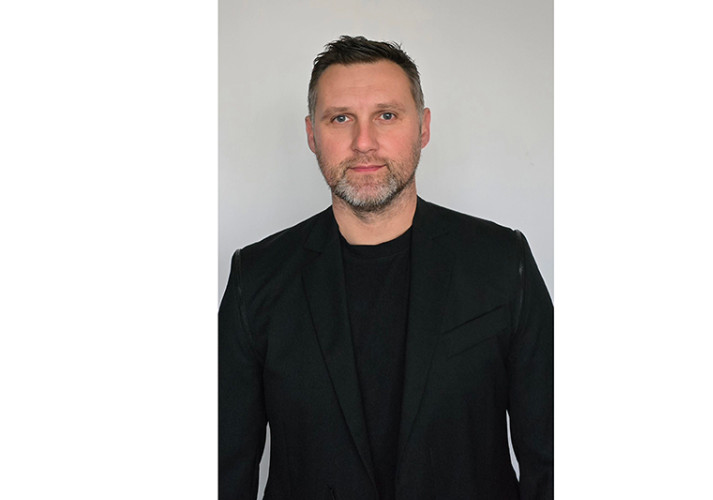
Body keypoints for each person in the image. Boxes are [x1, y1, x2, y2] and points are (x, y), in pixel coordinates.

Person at [219, 35, 553, 500]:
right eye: (341, 118)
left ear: (423, 128)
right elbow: (222, 469)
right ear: (312, 135)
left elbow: (553, 458)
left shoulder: (502, 262)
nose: (364, 143)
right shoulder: (255, 278)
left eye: (387, 116)